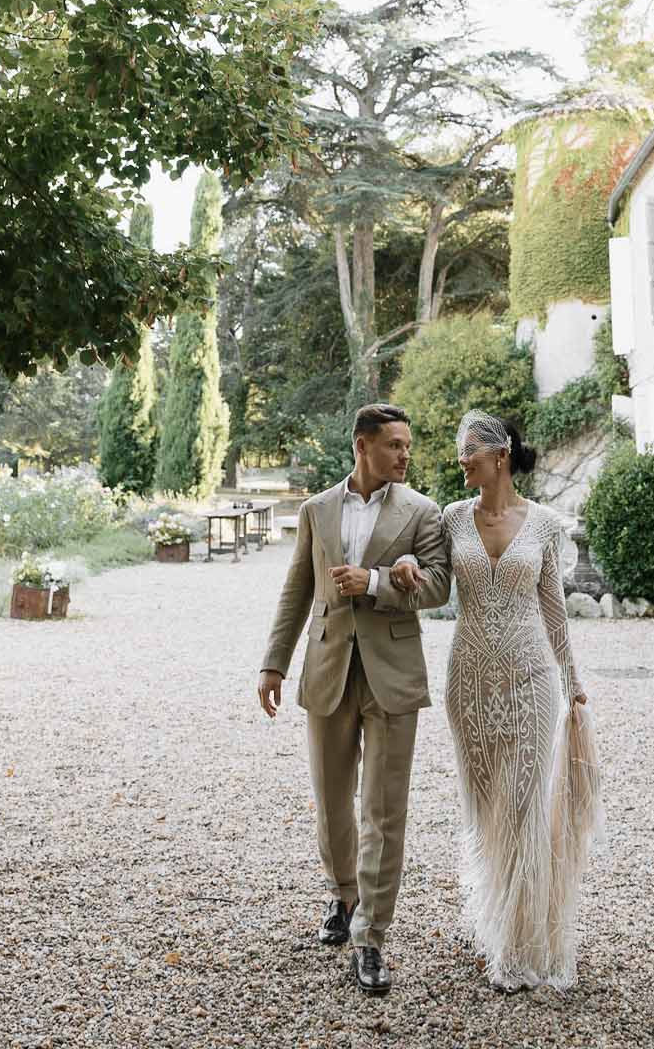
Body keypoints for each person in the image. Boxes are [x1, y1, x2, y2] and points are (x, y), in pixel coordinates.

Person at [393, 410, 604, 992]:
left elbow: (553, 607)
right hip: (468, 684)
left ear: (500, 455)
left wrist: (573, 679)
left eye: (468, 452)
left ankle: (521, 946)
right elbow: (433, 574)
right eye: (461, 452)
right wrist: (407, 566)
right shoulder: (452, 517)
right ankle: (496, 922)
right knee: (486, 811)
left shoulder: (542, 526)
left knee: (524, 807)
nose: (460, 460)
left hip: (530, 680)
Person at [257, 402, 450, 998]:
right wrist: (273, 662)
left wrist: (378, 582)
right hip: (327, 669)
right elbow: (297, 590)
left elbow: (439, 585)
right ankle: (343, 896)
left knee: (384, 809)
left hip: (393, 673)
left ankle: (371, 936)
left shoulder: (422, 512)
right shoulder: (316, 509)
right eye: (395, 444)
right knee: (332, 803)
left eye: (407, 445)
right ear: (362, 445)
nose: (405, 454)